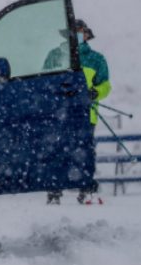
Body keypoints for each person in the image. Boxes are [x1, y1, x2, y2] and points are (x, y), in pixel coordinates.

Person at [45, 19, 111, 205]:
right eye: (73, 31)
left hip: (86, 114)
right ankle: (54, 191)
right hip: (59, 113)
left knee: (85, 153)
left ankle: (87, 190)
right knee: (58, 151)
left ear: (87, 35)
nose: (77, 35)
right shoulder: (54, 55)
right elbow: (44, 80)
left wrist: (96, 92)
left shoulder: (97, 59)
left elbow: (106, 85)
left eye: (80, 31)